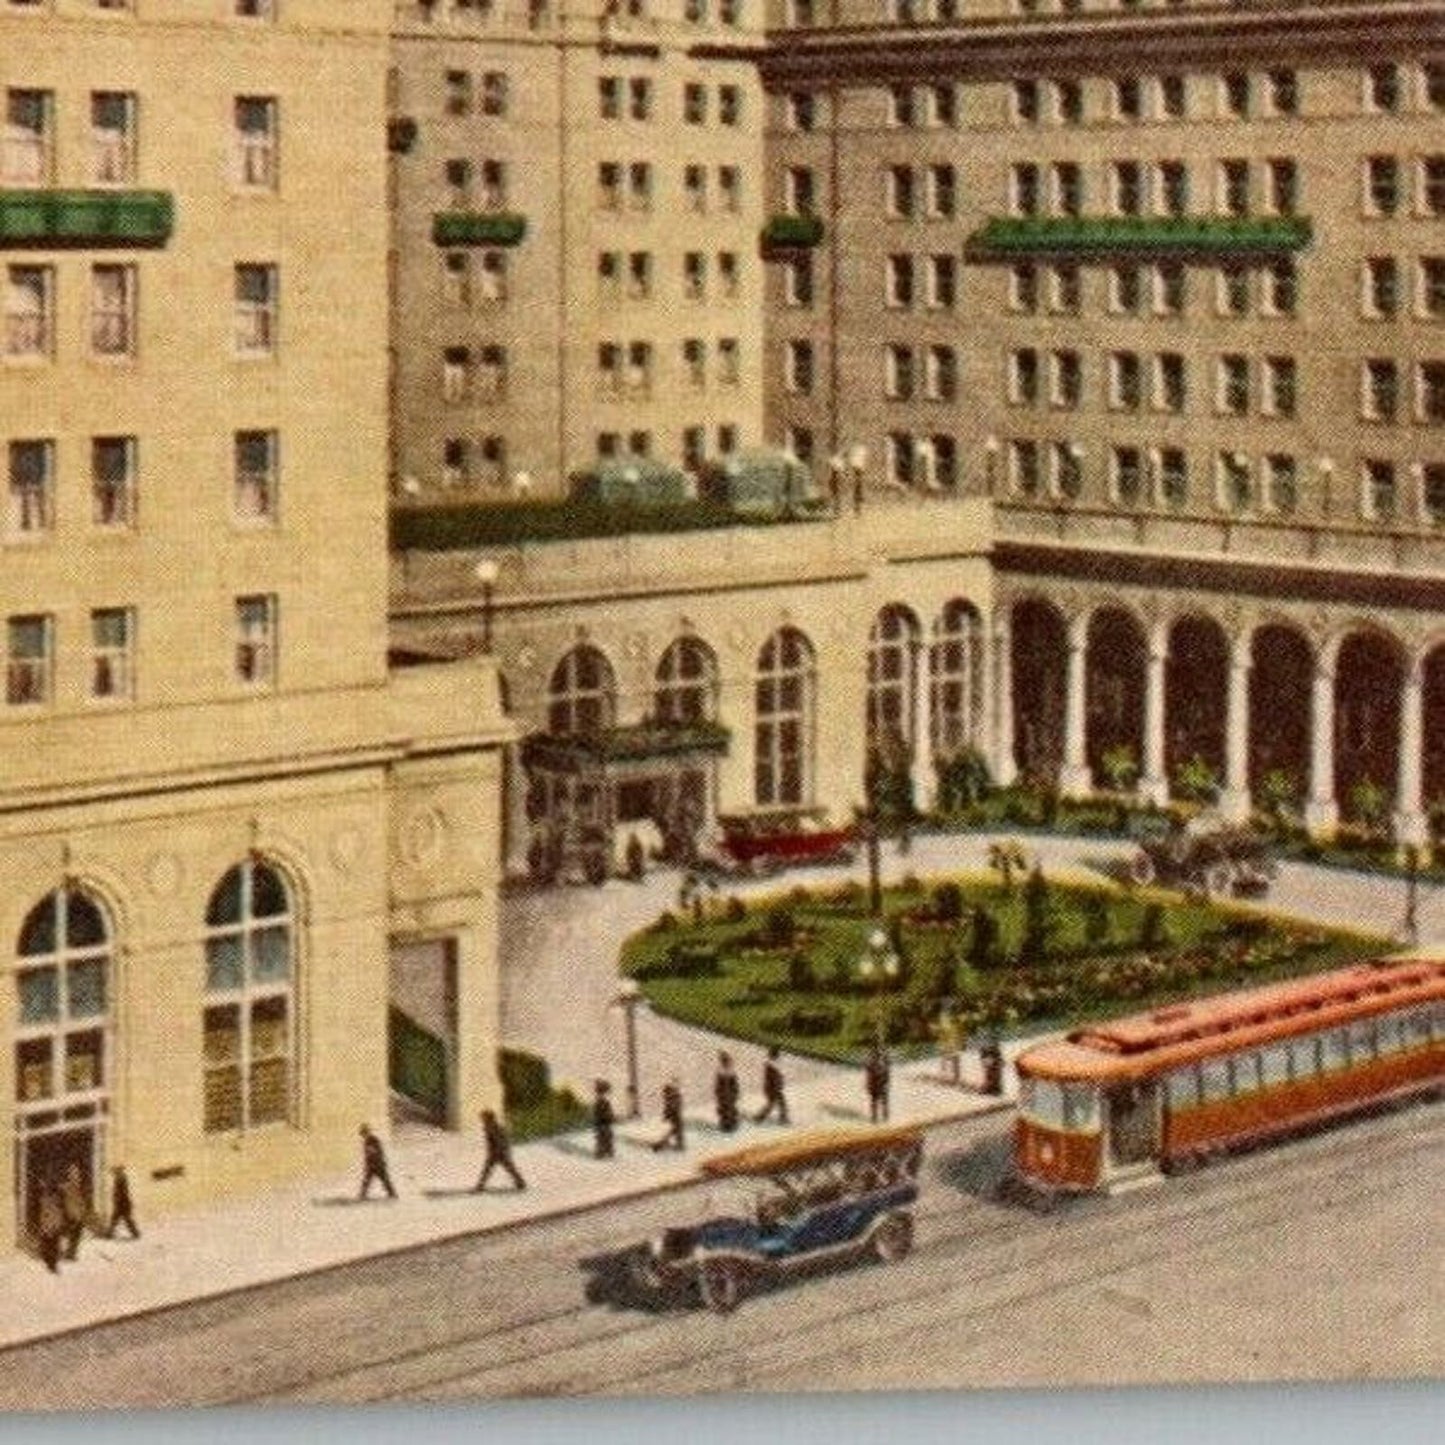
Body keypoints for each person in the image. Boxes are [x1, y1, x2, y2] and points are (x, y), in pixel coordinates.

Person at [473, 1108, 526, 1193]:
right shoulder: (490, 1126)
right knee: (502, 1169)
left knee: (494, 1169)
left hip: (499, 1152)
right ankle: (520, 1183)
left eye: (483, 1117)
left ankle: (480, 1186)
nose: (481, 1119)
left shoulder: (492, 1127)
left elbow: (499, 1140)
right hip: (498, 1151)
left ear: (488, 1117)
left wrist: (497, 1152)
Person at [357, 1123, 397, 1200]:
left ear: (366, 1132)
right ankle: (362, 1196)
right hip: (373, 1166)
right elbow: (369, 1155)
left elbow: (376, 1152)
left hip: (378, 1166)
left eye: (363, 1133)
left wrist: (372, 1158)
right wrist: (366, 1165)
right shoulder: (367, 1141)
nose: (362, 1135)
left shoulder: (373, 1139)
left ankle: (393, 1195)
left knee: (385, 1181)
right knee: (366, 1182)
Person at [61, 1161, 90, 1261]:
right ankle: (71, 1254)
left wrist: (83, 1211)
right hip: (72, 1214)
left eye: (77, 1173)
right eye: (73, 1173)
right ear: (69, 1175)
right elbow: (66, 1202)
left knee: (76, 1235)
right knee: (73, 1234)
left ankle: (71, 1253)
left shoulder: (79, 1186)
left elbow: (82, 1200)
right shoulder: (67, 1187)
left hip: (78, 1214)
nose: (76, 1175)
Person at [754, 1046, 790, 1124]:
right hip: (772, 1088)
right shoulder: (771, 1066)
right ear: (775, 1056)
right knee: (774, 1103)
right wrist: (778, 1085)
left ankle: (760, 1117)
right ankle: (760, 1117)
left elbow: (777, 1077)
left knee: (776, 1103)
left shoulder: (771, 1064)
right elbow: (774, 1078)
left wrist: (779, 1083)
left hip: (773, 1087)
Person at [36, 1179, 65, 1275]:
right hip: (51, 1226)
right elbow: (45, 1215)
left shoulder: (47, 1200)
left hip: (52, 1225)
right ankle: (52, 1265)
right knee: (52, 1245)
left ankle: (52, 1265)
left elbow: (46, 1215)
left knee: (52, 1245)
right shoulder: (49, 1201)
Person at [107, 1164, 140, 1240]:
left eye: (115, 1171)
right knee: (123, 1219)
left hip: (121, 1203)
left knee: (120, 1219)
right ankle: (135, 1233)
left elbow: (122, 1192)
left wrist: (117, 1201)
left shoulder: (120, 1178)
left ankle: (109, 1233)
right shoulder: (121, 1178)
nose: (114, 1173)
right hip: (122, 1202)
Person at [652, 1078, 685, 1151]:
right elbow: (671, 1107)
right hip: (674, 1118)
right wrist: (666, 1115)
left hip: (674, 1117)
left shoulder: (674, 1096)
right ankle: (661, 1145)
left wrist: (667, 1114)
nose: (664, 1095)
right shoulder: (673, 1096)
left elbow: (673, 1107)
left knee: (672, 1132)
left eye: (666, 1093)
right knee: (671, 1132)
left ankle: (662, 1145)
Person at [714, 1051, 740, 1133]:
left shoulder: (730, 1072)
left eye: (728, 1061)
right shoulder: (721, 1072)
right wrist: (719, 1094)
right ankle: (726, 1125)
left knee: (731, 1109)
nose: (728, 1063)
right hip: (724, 1095)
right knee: (725, 1109)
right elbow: (718, 1086)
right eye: (726, 1061)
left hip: (730, 1094)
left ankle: (731, 1124)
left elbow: (735, 1084)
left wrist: (735, 1092)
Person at [865, 1043, 891, 1124]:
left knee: (884, 1102)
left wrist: (887, 1082)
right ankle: (875, 1119)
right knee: (875, 1102)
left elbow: (887, 1073)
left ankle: (885, 1119)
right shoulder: (871, 1062)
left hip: (882, 1083)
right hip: (875, 1084)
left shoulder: (884, 1061)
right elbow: (869, 1074)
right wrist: (869, 1085)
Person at [592, 1079, 616, 1159]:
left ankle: (606, 1151)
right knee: (603, 1137)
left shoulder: (603, 1101)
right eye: (605, 1092)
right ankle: (602, 1152)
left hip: (604, 1123)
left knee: (607, 1136)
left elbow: (606, 1112)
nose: (606, 1094)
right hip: (602, 1123)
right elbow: (599, 1113)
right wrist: (609, 1116)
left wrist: (611, 1116)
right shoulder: (600, 1101)